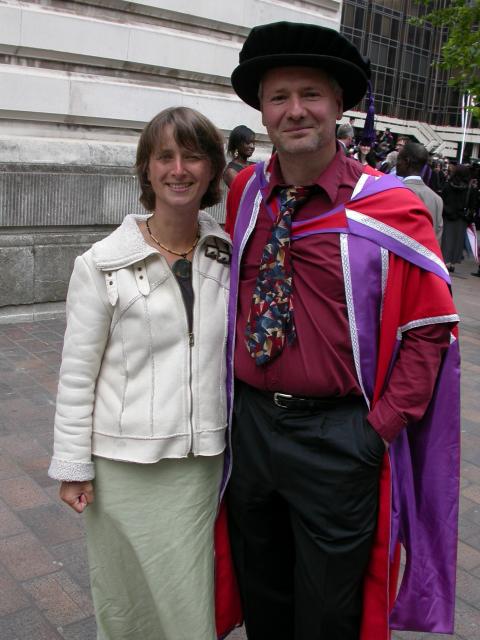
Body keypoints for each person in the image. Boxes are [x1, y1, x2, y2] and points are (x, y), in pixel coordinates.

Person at [223, 21, 460, 640]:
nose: (295, 110)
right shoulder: (247, 194)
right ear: (263, 111)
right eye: (279, 97)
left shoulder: (390, 207)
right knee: (264, 596)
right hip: (251, 428)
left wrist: (377, 429)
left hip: (338, 436)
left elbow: (430, 329)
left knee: (330, 614)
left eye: (311, 94)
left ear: (338, 106)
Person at [48, 106, 232, 640]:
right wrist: (73, 465)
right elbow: (77, 373)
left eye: (193, 156)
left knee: (189, 609)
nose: (179, 169)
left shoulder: (228, 255)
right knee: (126, 603)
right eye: (165, 156)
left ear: (212, 170)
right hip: (123, 465)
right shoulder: (102, 264)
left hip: (199, 466)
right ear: (146, 170)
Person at [396, 141, 443, 242]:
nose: (397, 163)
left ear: (407, 161)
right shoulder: (437, 200)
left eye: (398, 159)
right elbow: (437, 238)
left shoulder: (396, 192)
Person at [441, 164, 476, 272]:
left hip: (448, 216)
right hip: (462, 218)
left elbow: (443, 199)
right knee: (458, 241)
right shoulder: (470, 189)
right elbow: (473, 205)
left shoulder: (447, 185)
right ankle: (452, 263)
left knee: (446, 239)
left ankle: (444, 261)